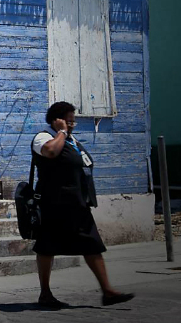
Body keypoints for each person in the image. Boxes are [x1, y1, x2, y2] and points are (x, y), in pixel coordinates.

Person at [31, 101, 134, 308]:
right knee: (46, 247)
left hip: (76, 205)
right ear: (57, 120)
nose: (72, 125)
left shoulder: (71, 140)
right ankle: (45, 293)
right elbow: (50, 152)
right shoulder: (44, 137)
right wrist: (61, 132)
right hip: (53, 204)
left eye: (73, 122)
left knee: (92, 244)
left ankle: (107, 291)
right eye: (69, 121)